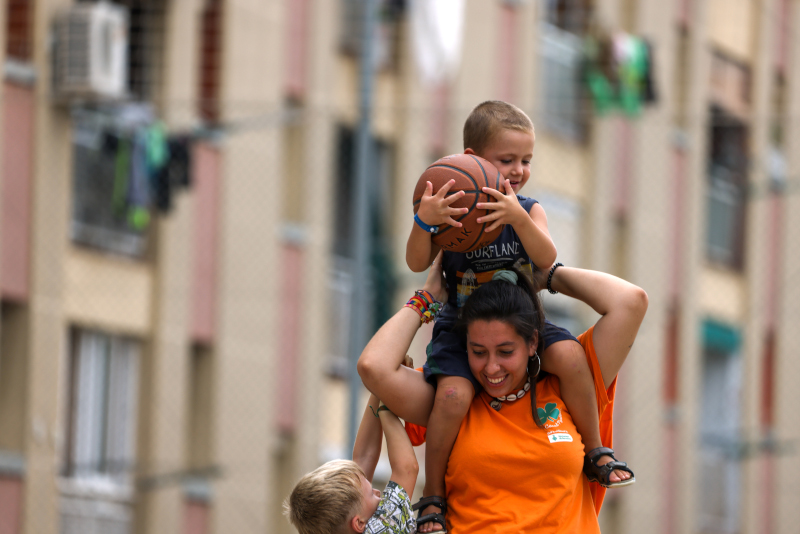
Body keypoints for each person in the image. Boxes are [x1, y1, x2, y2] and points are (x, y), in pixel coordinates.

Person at [405, 100, 633, 531]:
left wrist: (518, 220)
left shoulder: (529, 209)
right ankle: (433, 494)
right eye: (506, 159)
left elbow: (547, 257)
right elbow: (417, 263)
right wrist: (424, 222)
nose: (518, 170)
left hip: (524, 321)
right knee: (452, 397)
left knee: (570, 358)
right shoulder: (453, 211)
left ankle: (595, 450)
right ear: (471, 161)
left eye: (526, 160)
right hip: (461, 327)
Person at [358, 257, 647, 532]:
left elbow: (631, 302)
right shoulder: (451, 399)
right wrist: (426, 297)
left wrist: (544, 276)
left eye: (506, 351)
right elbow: (373, 367)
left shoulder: (569, 382)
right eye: (478, 352)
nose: (492, 367)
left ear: (533, 342)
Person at [284, 378, 419, 534]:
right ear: (359, 523)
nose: (377, 492)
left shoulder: (351, 524)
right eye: (371, 493)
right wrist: (385, 407)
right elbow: (407, 468)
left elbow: (363, 457)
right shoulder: (382, 530)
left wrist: (381, 386)